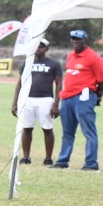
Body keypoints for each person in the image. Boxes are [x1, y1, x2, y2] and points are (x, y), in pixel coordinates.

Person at [52, 30, 103, 171]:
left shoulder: (94, 57)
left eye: (78, 39)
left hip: (84, 96)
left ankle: (91, 163)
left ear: (85, 40)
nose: (75, 42)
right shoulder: (70, 56)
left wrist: (98, 96)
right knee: (67, 132)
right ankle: (62, 161)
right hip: (67, 97)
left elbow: (102, 81)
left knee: (88, 131)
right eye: (73, 39)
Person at [12, 38, 62, 166]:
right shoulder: (27, 63)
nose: (38, 48)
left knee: (47, 129)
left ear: (46, 48)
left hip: (45, 99)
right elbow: (20, 83)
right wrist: (15, 101)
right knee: (27, 128)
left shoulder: (54, 64)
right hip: (28, 99)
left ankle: (48, 158)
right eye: (36, 46)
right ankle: (26, 157)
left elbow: (59, 84)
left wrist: (56, 103)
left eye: (41, 46)